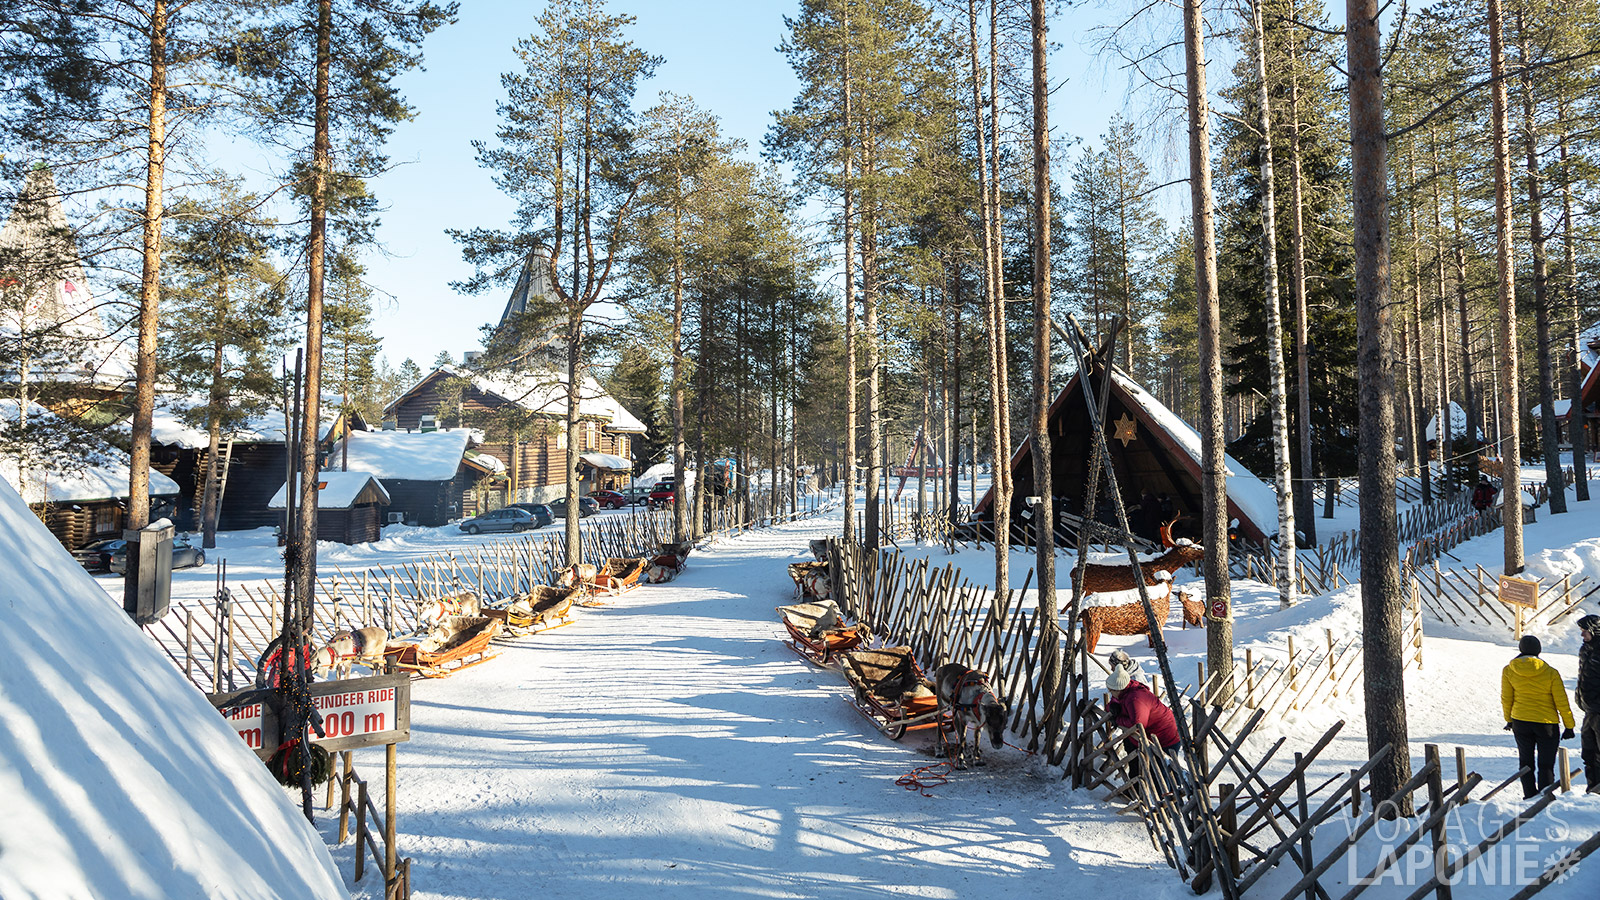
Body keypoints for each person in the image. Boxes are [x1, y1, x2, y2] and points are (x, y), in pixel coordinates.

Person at [1501, 635, 1576, 798]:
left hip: (1520, 721)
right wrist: (1569, 726)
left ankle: (1529, 795)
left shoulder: (1508, 670)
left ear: (1520, 649)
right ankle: (1545, 796)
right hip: (1546, 724)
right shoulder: (1550, 672)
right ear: (1539, 650)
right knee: (1546, 763)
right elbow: (1562, 702)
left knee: (1525, 761)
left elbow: (1507, 698)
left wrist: (1509, 719)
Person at [1107, 657, 1180, 753]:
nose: (1110, 693)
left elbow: (1138, 724)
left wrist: (1118, 720)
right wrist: (1112, 707)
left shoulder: (1136, 699)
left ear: (1118, 689)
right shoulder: (1124, 691)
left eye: (1111, 691)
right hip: (1146, 738)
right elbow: (1113, 703)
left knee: (1158, 767)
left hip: (1164, 739)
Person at [1576, 615, 1600, 794]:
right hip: (1588, 709)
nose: (1582, 634)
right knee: (1588, 753)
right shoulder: (1585, 650)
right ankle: (1592, 790)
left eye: (1585, 630)